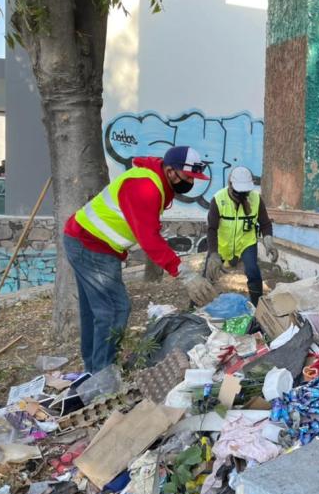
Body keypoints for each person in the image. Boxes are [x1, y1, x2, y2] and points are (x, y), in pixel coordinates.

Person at [63, 146, 217, 372]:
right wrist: (185, 274)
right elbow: (149, 238)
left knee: (95, 311)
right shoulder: (146, 186)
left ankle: (93, 370)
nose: (191, 183)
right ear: (171, 171)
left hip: (86, 240)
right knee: (115, 309)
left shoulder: (155, 182)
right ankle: (103, 375)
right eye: (188, 176)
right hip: (91, 244)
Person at [204, 166, 278, 305]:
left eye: (246, 191)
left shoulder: (256, 199)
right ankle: (196, 306)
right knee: (209, 272)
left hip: (246, 242)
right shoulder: (218, 199)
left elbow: (265, 223)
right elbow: (212, 229)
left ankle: (258, 306)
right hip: (222, 244)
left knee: (253, 271)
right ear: (230, 185)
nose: (242, 195)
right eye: (239, 191)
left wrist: (269, 241)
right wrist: (213, 254)